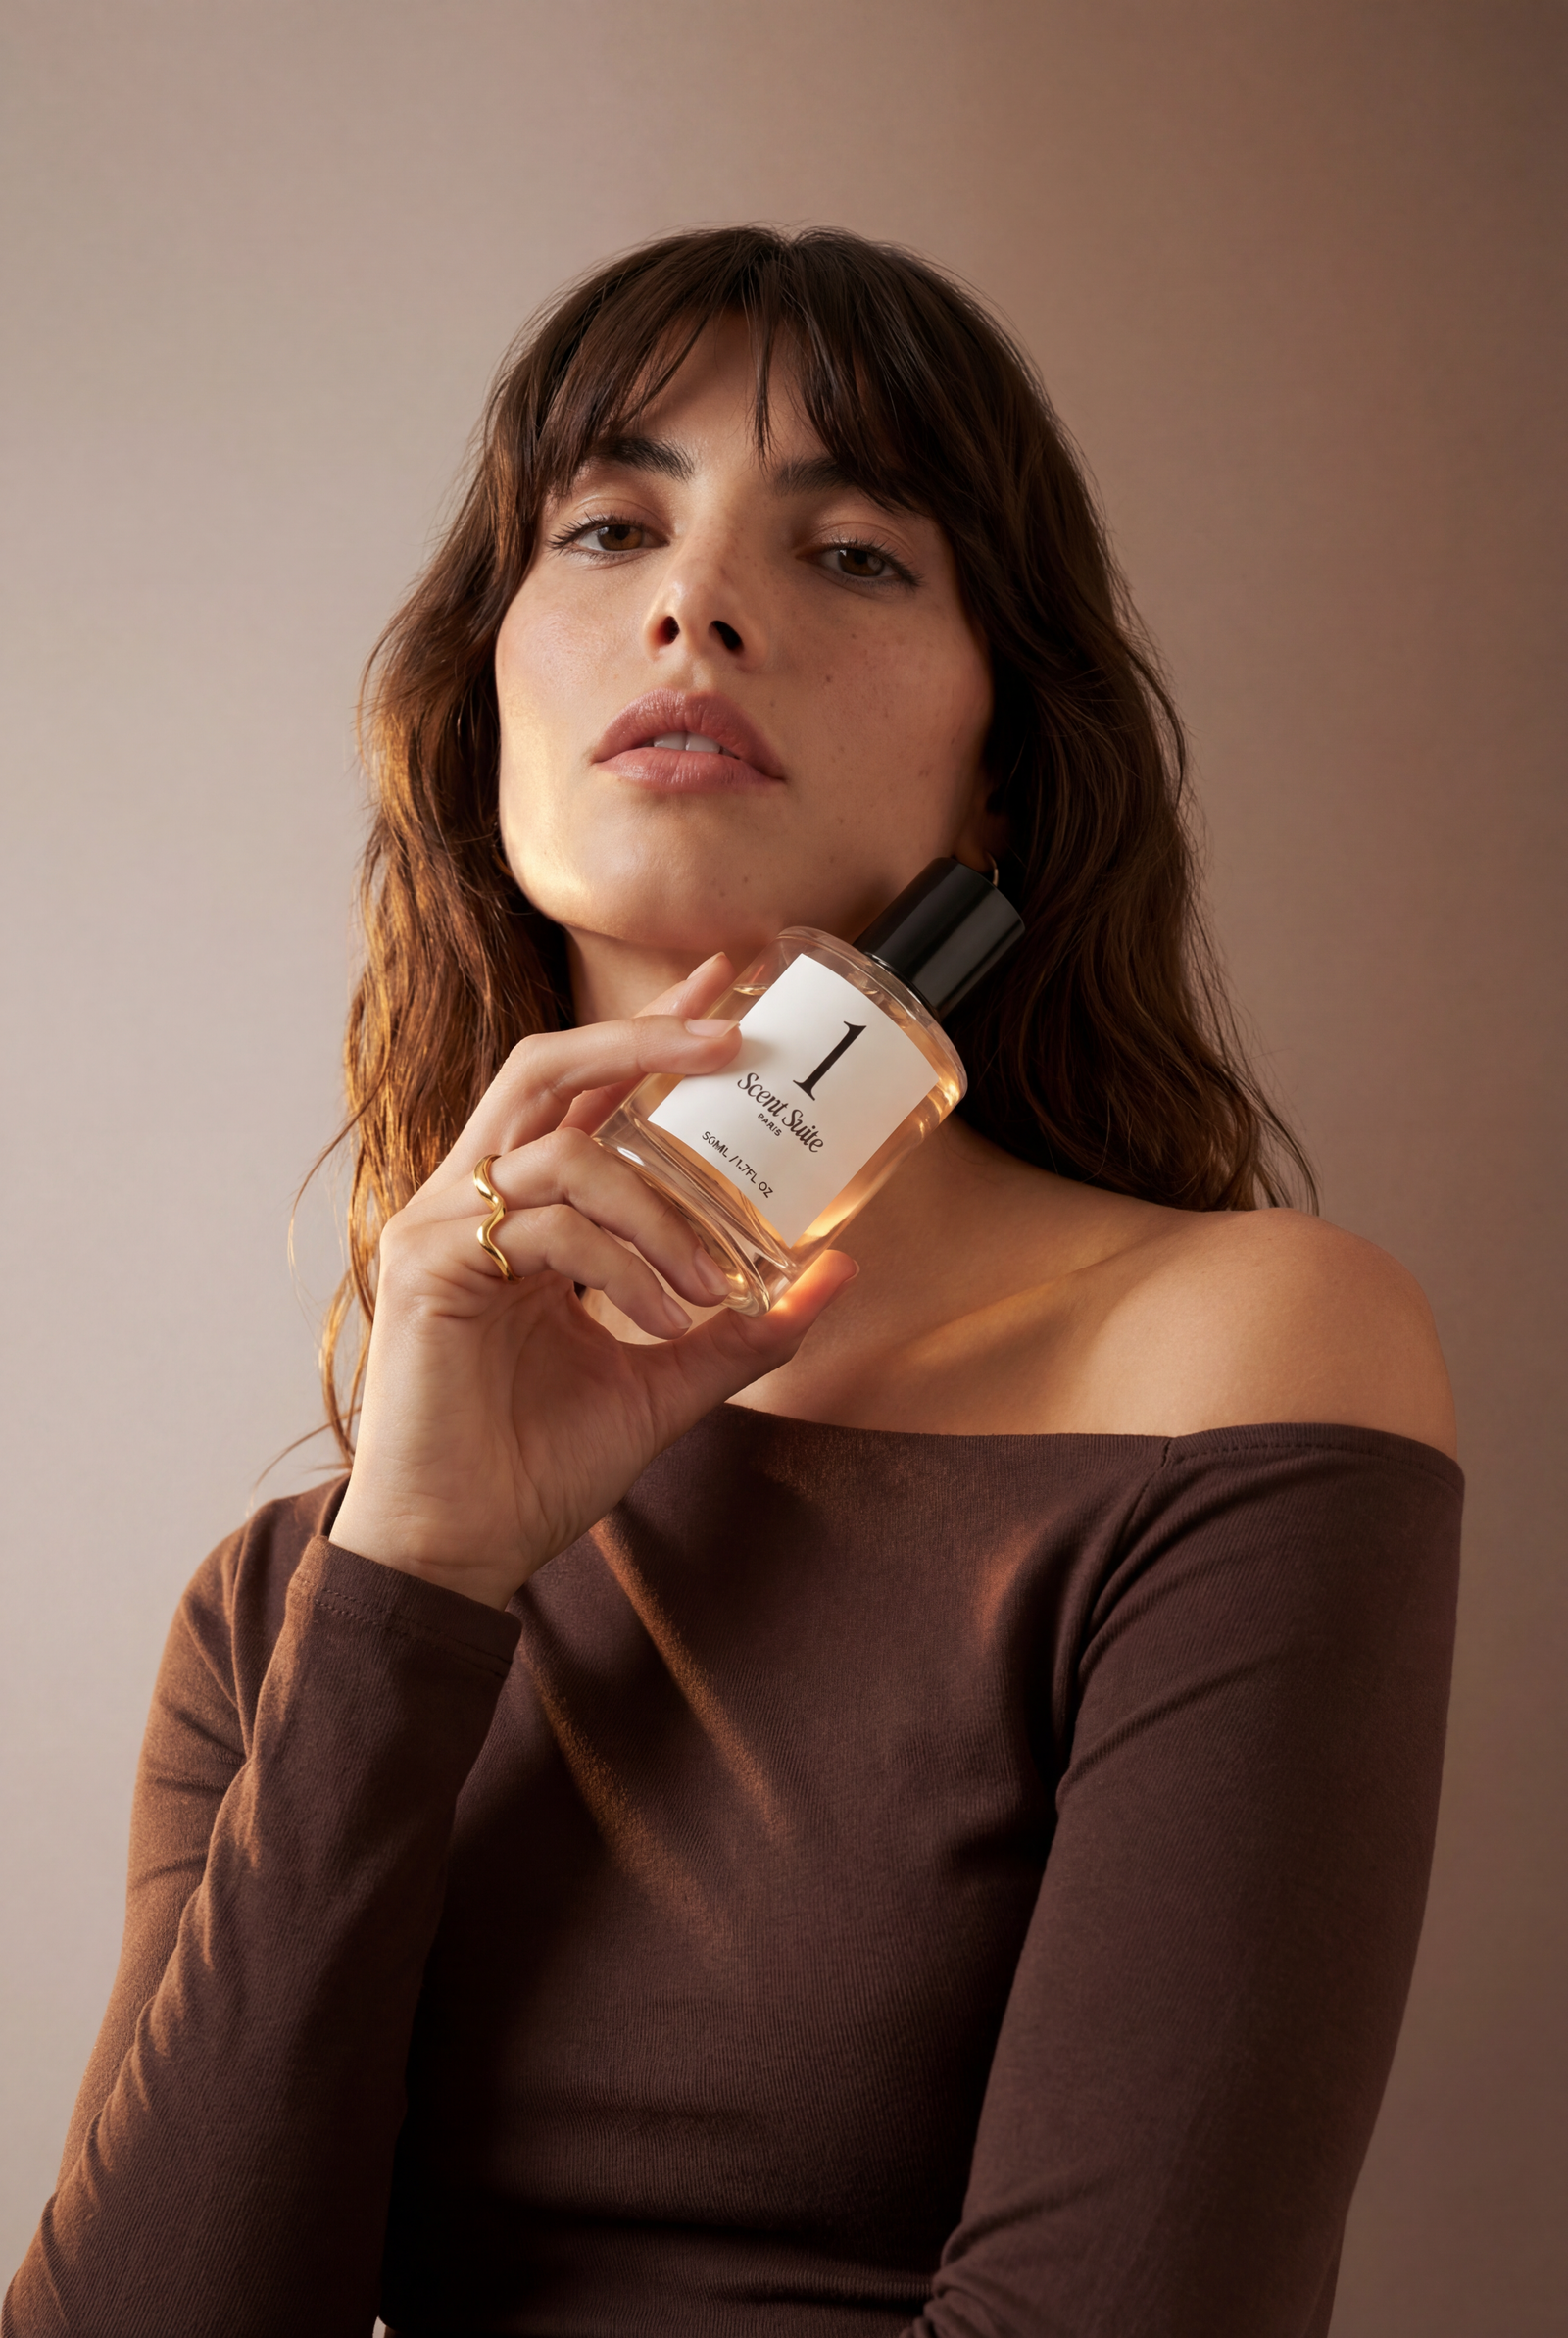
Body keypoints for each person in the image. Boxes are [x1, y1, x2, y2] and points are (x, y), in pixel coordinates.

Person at [5, 227, 1461, 2338]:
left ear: (999, 771)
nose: (695, 603)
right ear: (481, 709)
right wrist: (417, 1573)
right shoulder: (289, 1608)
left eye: (854, 552)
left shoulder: (1233, 1353)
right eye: (609, 527)